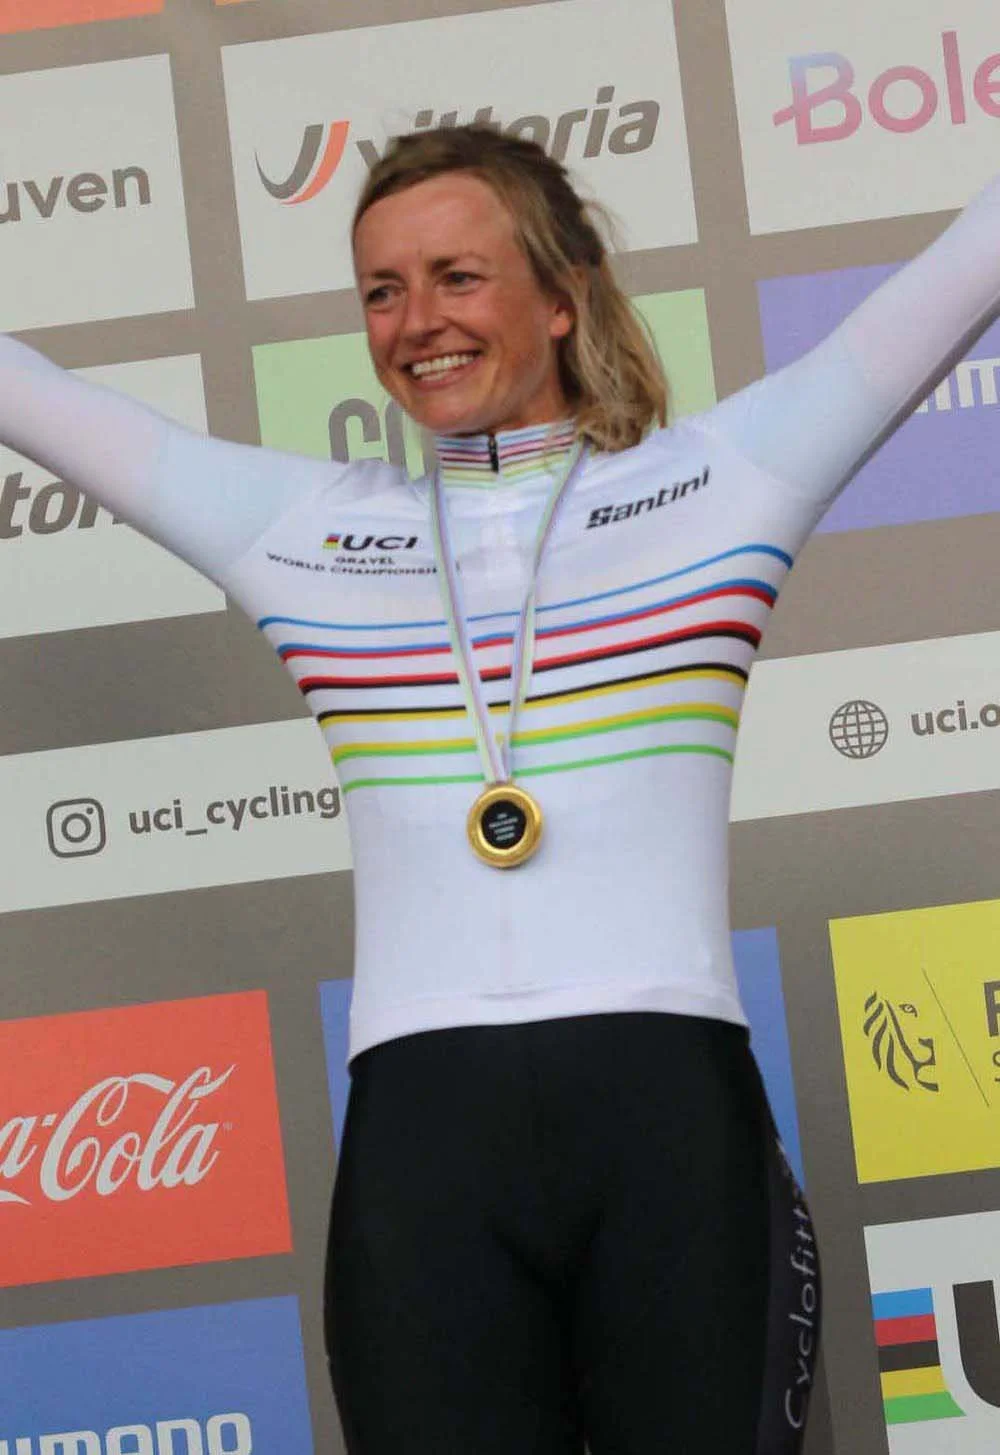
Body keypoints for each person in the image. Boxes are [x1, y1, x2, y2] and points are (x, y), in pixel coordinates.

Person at [2, 123, 999, 1453]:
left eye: (458, 276)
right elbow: (31, 395)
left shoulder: (722, 487)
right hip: (426, 1152)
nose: (418, 322)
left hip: (667, 1126)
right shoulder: (302, 533)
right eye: (382, 289)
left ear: (563, 292)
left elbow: (967, 265)